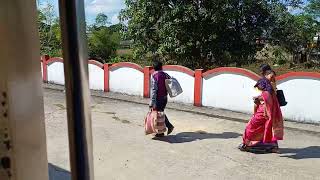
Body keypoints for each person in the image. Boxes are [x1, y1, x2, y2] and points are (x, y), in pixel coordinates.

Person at [240, 69, 284, 153]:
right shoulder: (270, 89)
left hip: (264, 113)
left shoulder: (267, 90)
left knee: (251, 127)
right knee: (268, 128)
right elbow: (265, 97)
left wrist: (257, 99)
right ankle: (272, 146)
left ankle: (249, 143)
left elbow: (264, 98)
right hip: (269, 113)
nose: (258, 87)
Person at [149, 59, 174, 137]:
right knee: (160, 113)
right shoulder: (165, 74)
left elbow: (154, 89)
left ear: (154, 67)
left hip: (158, 98)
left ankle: (169, 126)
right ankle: (161, 132)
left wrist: (152, 102)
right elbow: (170, 82)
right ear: (161, 67)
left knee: (159, 114)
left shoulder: (154, 75)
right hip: (164, 97)